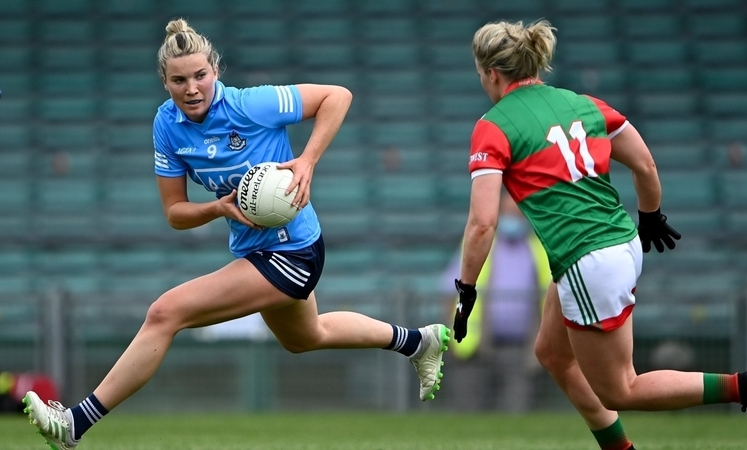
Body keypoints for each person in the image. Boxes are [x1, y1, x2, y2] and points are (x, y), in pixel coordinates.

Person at [23, 18, 450, 450]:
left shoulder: (252, 105)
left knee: (165, 312)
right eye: (179, 80)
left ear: (215, 72)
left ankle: (75, 422)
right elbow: (175, 213)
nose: (191, 88)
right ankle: (418, 342)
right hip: (257, 250)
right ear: (165, 82)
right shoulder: (167, 125)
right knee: (306, 338)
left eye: (200, 76)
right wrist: (215, 207)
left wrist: (307, 160)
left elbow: (337, 97)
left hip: (293, 250)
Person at [452, 19, 747, 449]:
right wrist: (650, 216)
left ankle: (745, 387)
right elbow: (645, 164)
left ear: (492, 73)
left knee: (619, 389)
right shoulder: (584, 103)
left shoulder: (493, 125)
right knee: (552, 353)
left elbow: (483, 222)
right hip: (622, 240)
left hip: (587, 259)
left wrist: (466, 289)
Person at [439, 190, 548, 412]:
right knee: (469, 414)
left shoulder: (538, 248)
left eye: (517, 214)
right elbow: (450, 291)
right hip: (475, 347)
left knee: (516, 415)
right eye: (507, 213)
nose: (512, 219)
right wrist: (450, 336)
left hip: (521, 349)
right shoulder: (478, 243)